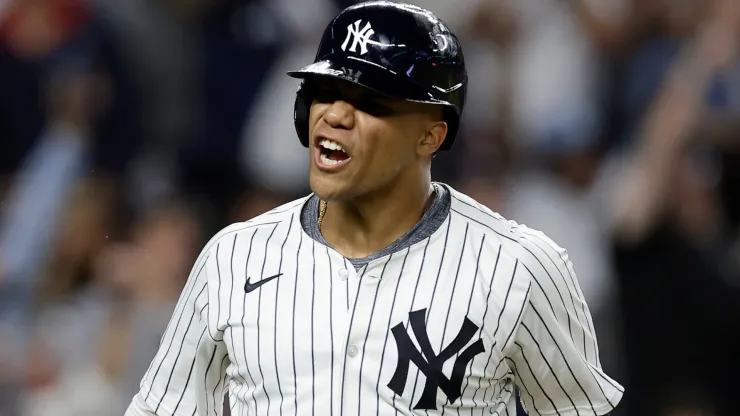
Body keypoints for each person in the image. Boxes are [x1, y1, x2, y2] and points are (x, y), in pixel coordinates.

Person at [125, 2, 624, 415]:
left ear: (431, 134)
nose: (336, 115)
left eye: (370, 102)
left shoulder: (517, 268)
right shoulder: (234, 258)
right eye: (325, 92)